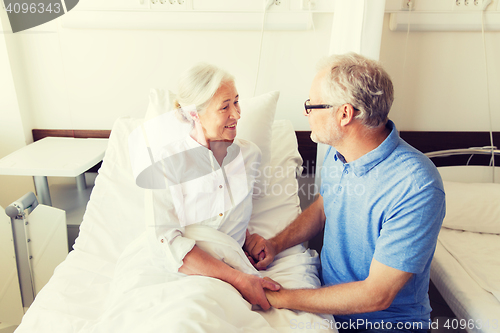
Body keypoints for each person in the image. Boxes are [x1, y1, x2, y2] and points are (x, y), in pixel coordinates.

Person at [244, 53, 445, 332]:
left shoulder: (416, 185)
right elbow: (325, 207)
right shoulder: (339, 154)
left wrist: (283, 298)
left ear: (344, 114)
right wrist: (276, 244)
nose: (306, 113)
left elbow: (377, 294)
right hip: (328, 311)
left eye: (311, 105)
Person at [134, 63, 280, 311]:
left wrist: (246, 239)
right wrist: (239, 279)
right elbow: (166, 243)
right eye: (225, 106)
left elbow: (228, 219)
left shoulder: (250, 156)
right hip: (180, 275)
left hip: (233, 270)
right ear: (194, 114)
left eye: (237, 102)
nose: (237, 114)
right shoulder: (164, 165)